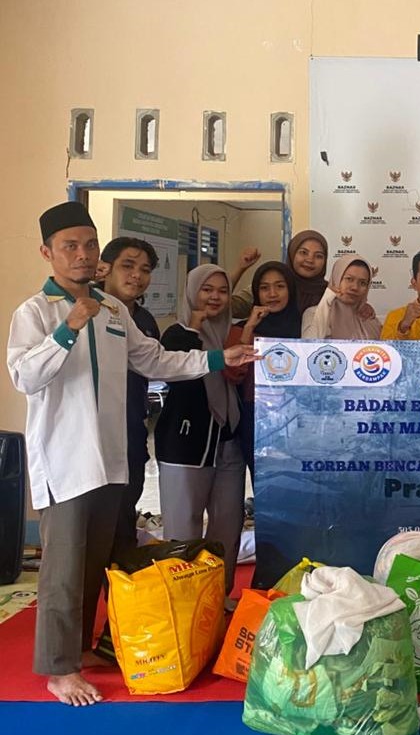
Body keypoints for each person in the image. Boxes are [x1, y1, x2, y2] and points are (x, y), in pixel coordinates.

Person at [6, 201, 257, 706]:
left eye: (89, 244)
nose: (82, 254)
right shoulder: (36, 312)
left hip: (112, 458)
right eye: (70, 246)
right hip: (66, 460)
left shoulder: (114, 310)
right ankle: (58, 669)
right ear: (48, 253)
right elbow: (24, 376)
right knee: (63, 567)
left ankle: (80, 648)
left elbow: (155, 359)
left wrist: (217, 357)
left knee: (95, 561)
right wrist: (68, 328)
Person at [155, 265, 249, 607]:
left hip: (228, 442)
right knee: (184, 527)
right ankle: (183, 604)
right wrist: (194, 326)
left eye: (222, 291)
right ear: (192, 292)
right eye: (206, 289)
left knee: (227, 525)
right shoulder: (176, 333)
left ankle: (215, 599)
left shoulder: (229, 333)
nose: (214, 297)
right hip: (186, 444)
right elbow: (175, 367)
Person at [95, 237, 161, 569]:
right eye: (128, 266)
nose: (137, 275)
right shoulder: (86, 313)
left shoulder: (145, 321)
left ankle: (120, 601)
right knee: (91, 535)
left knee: (124, 525)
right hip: (92, 440)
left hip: (132, 434)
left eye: (145, 269)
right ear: (103, 269)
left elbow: (157, 364)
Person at [224, 261, 301, 475]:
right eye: (264, 288)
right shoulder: (242, 329)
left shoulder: (305, 327)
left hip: (298, 419)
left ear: (290, 290)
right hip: (256, 420)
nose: (272, 294)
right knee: (265, 483)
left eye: (280, 286)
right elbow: (232, 375)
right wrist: (249, 327)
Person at [231, 229, 329, 319]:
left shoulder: (329, 294)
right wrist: (240, 268)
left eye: (318, 256)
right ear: (292, 253)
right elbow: (228, 307)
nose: (310, 260)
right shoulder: (272, 286)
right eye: (303, 252)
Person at [301, 255, 382, 340]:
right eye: (349, 279)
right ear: (336, 279)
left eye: (363, 283)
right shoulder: (314, 314)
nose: (355, 287)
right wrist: (327, 299)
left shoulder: (369, 318)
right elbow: (309, 345)